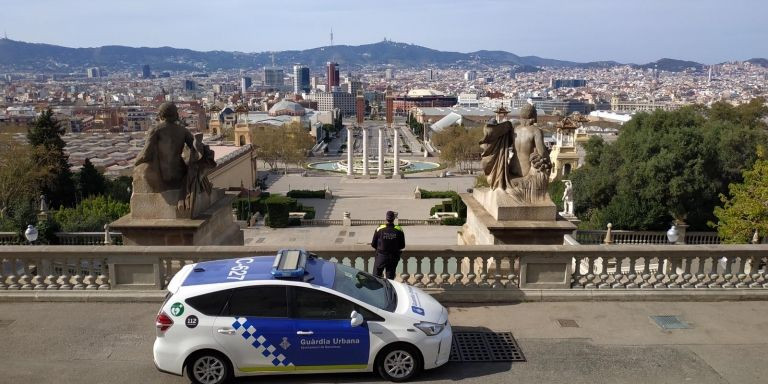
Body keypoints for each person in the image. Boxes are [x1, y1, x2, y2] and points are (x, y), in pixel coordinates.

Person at [371, 211, 405, 279]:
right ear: (394, 219)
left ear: (386, 218)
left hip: (381, 257)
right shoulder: (399, 229)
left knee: (376, 277)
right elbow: (402, 246)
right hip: (393, 257)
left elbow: (373, 244)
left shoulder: (379, 229)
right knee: (390, 279)